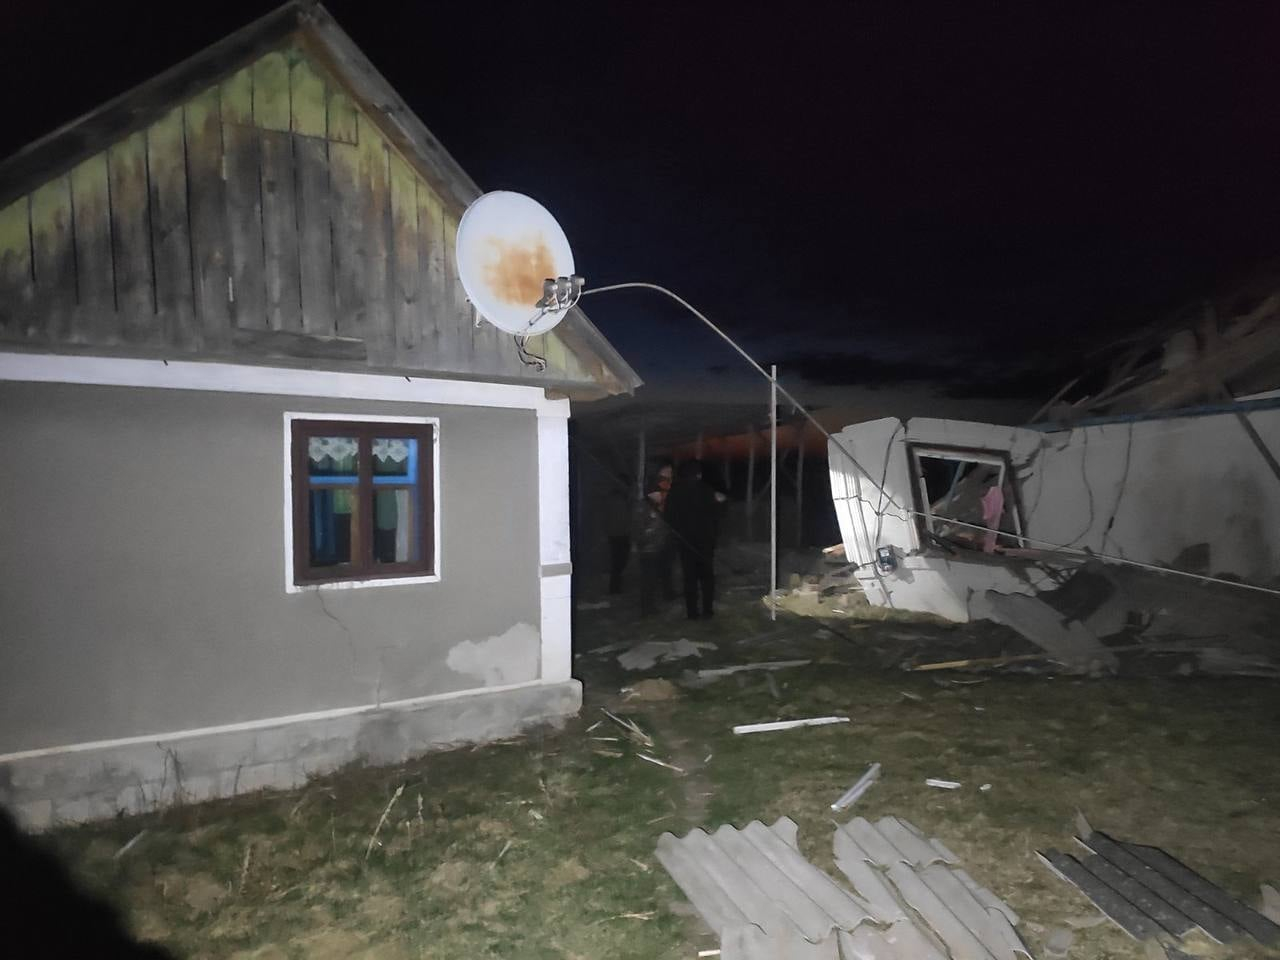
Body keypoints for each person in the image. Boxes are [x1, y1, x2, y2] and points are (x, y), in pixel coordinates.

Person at [663, 459, 720, 619]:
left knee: (690, 578)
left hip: (685, 541)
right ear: (698, 474)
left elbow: (668, 517)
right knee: (707, 577)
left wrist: (678, 533)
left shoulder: (676, 491)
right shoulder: (706, 490)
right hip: (705, 540)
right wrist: (713, 535)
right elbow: (715, 515)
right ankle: (707, 610)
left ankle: (692, 612)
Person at [604, 473, 633, 594]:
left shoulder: (623, 498)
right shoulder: (617, 499)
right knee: (618, 562)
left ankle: (616, 586)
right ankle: (614, 587)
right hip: (618, 534)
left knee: (620, 561)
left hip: (620, 533)